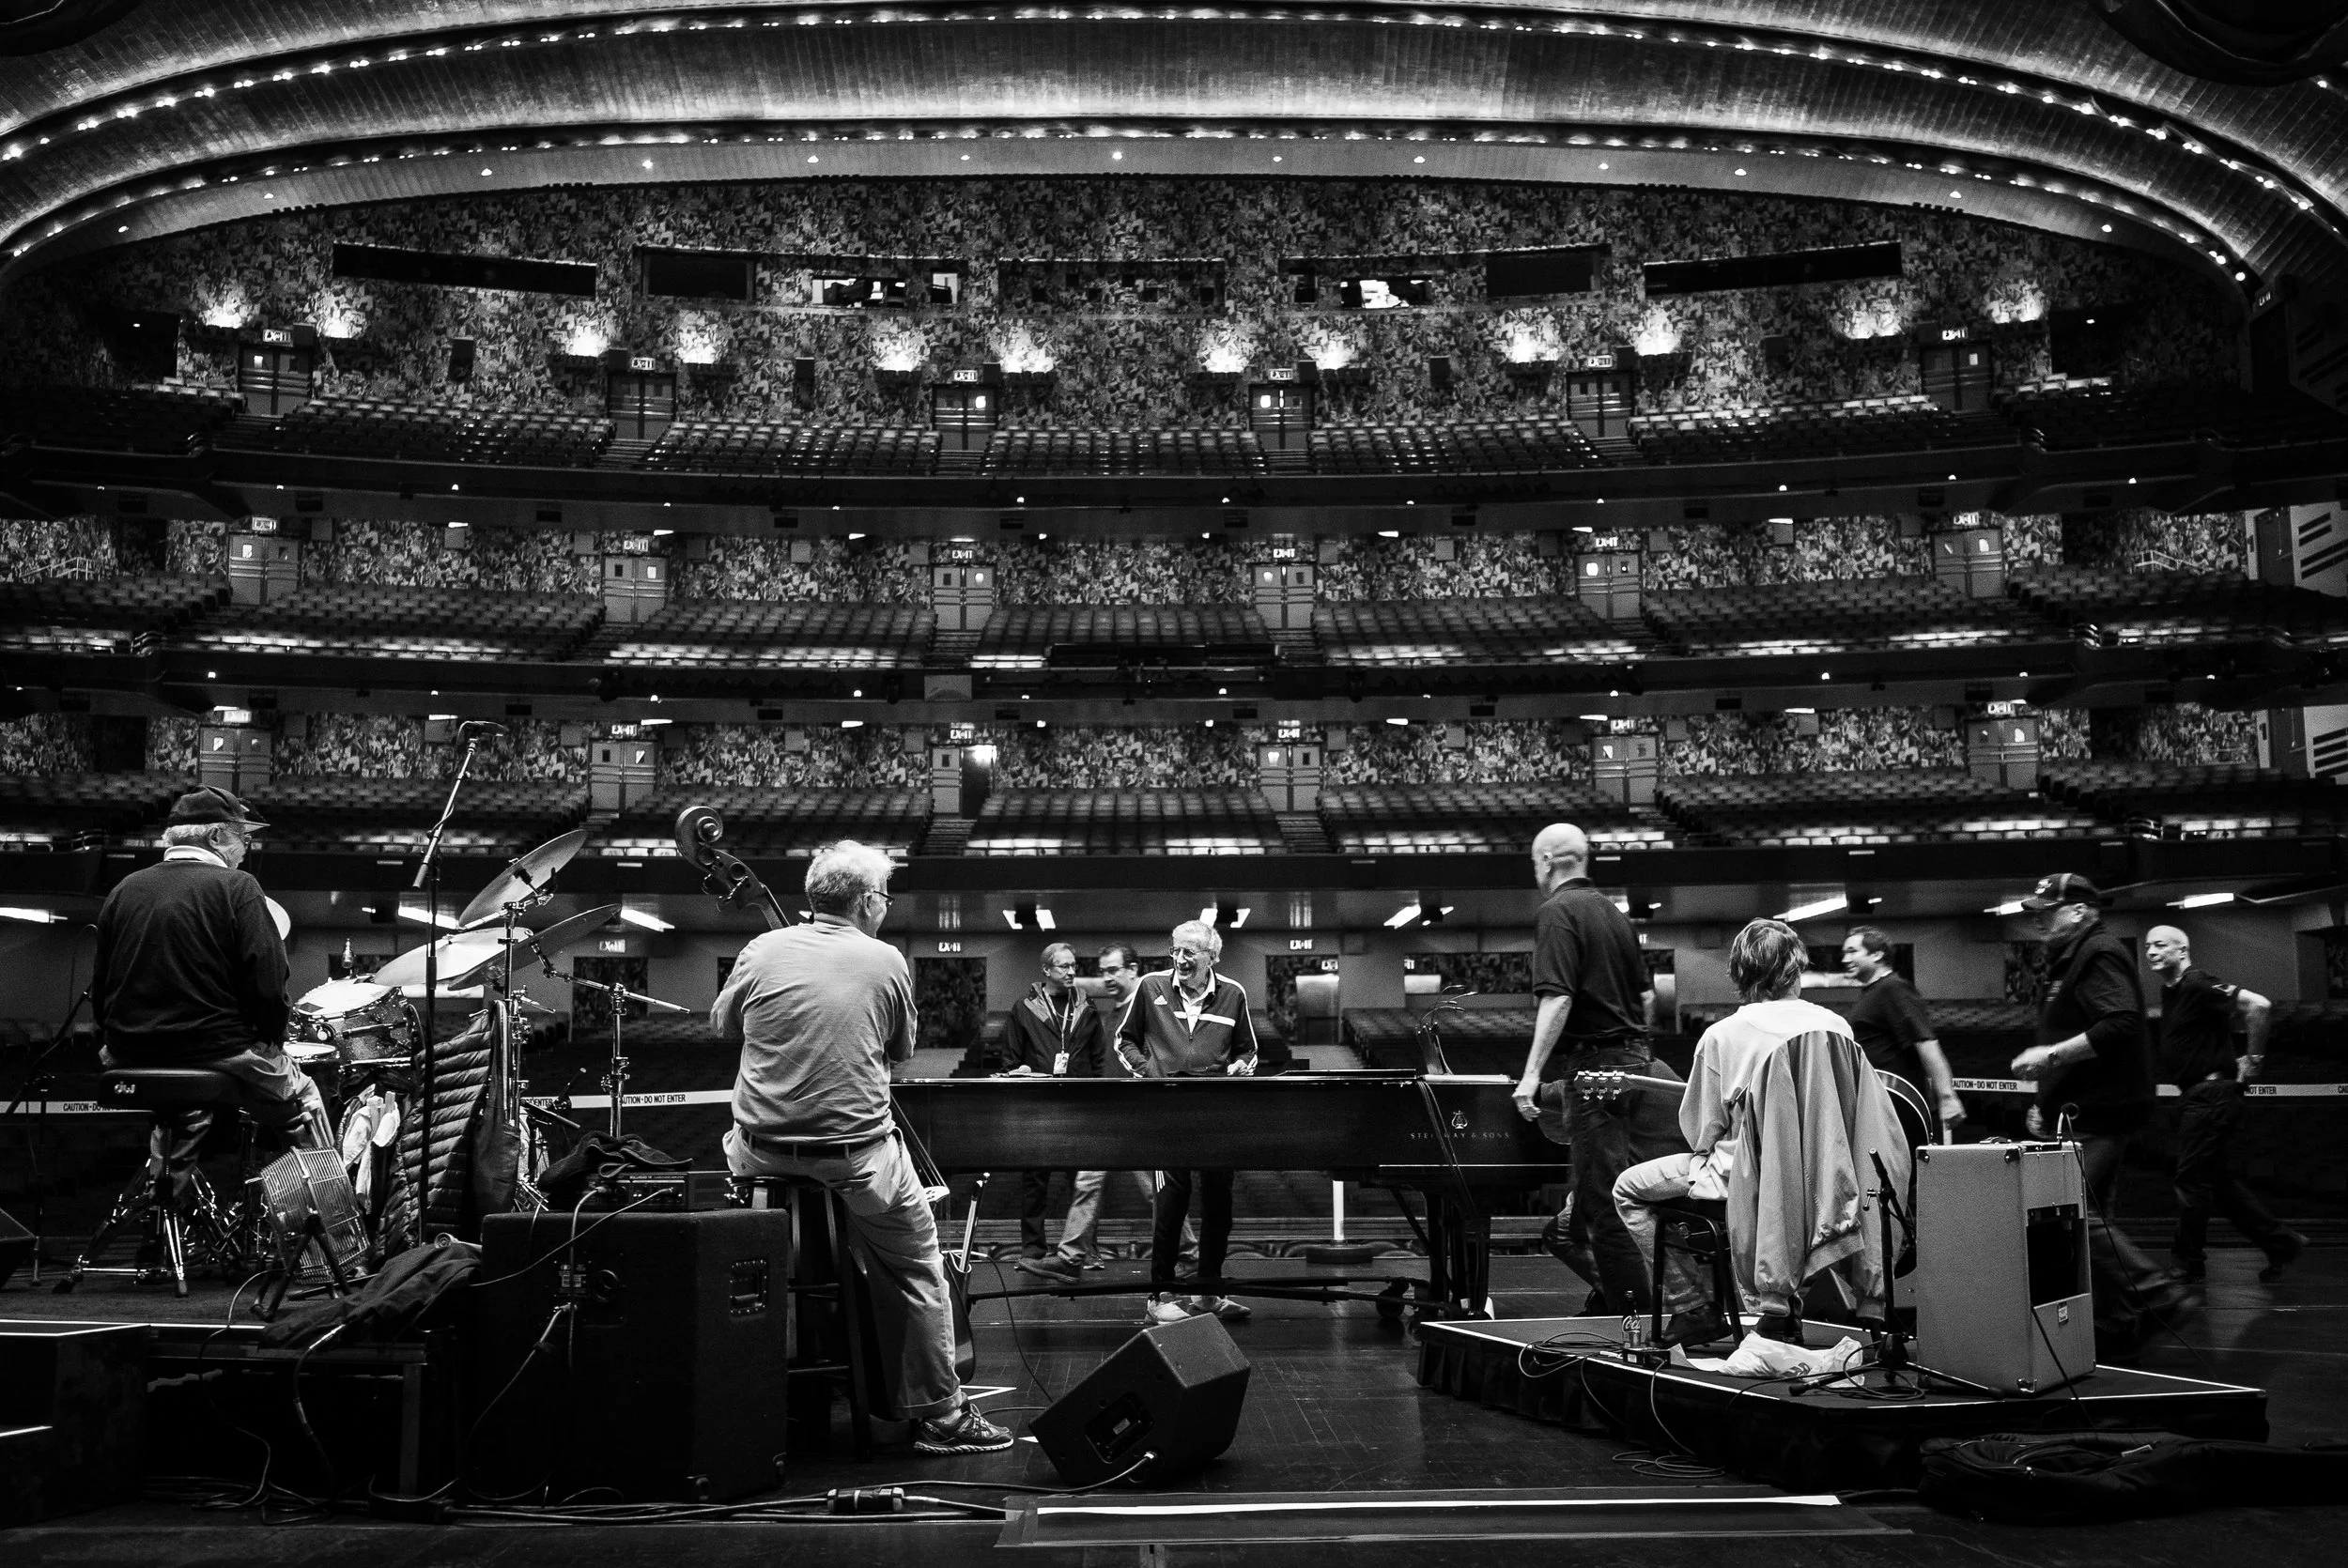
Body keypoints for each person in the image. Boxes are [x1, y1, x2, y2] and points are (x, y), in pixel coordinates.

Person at [715, 840, 1011, 1455]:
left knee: (731, 1139)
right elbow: (901, 1051)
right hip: (855, 1159)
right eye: (886, 896)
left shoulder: (761, 949)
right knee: (918, 1264)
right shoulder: (885, 961)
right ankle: (941, 1415)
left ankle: (780, 1361)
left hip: (761, 1154)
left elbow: (724, 1025)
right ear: (869, 902)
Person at [1614, 919, 1910, 1345]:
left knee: (1627, 1189)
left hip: (1746, 1182)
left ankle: (1693, 1306)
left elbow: (1701, 1130)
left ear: (1739, 972)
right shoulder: (1837, 1028)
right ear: (1797, 967)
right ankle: (1780, 1311)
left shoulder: (1721, 1036)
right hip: (1830, 1183)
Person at [90, 787, 331, 1204]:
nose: (247, 847)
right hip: (217, 1049)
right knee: (304, 1101)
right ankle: (331, 1235)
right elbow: (268, 984)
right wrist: (271, 1040)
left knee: (180, 1116)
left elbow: (101, 987)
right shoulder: (238, 887)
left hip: (130, 1053)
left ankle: (158, 1226)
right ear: (217, 837)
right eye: (244, 836)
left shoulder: (124, 889)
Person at [2009, 873, 2195, 1358]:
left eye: (2047, 910)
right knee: (2089, 1218)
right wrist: (2044, 1101)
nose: (2039, 919)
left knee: (2068, 1216)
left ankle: (2155, 1294)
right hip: (2080, 1110)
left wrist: (2049, 1059)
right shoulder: (2071, 958)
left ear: (2078, 912)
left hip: (2102, 1113)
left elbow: (2120, 1022)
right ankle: (2115, 1323)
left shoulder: (2099, 952)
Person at [1511, 822, 1670, 1314]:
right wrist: (1633, 1052)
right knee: (1594, 1207)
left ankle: (1639, 1327)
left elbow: (1558, 996)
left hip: (1598, 1068)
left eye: (1535, 862)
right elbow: (1646, 998)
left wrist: (1532, 1075)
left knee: (1604, 1205)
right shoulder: (1614, 914)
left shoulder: (1557, 912)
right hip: (1632, 1063)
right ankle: (1625, 1304)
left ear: (1548, 862)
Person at [1116, 919, 1259, 1326]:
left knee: (1220, 1205)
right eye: (1175, 950)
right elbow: (1124, 1040)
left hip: (1217, 1115)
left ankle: (1209, 1293)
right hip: (1167, 1114)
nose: (1179, 958)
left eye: (1188, 953)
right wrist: (1151, 1075)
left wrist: (1240, 1067)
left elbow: (1248, 1051)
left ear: (1212, 957)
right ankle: (1158, 1294)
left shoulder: (1233, 994)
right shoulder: (1150, 987)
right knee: (1171, 1204)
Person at [2143, 926, 2303, 1285]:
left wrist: (2254, 1059)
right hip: (2197, 1096)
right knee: (2217, 1183)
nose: (2151, 951)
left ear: (2182, 950)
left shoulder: (2197, 983)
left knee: (2191, 1182)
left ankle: (2188, 1260)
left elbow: (2259, 1006)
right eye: (2148, 946)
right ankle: (2281, 1243)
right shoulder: (2172, 991)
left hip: (2210, 1096)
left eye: (2160, 945)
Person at [1054, 943, 1185, 1271]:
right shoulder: (1112, 1013)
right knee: (1088, 1182)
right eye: (1103, 972)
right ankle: (1070, 1257)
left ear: (1133, 970)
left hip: (1140, 1117)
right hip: (1110, 1115)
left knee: (1158, 1194)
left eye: (1114, 970)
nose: (1107, 978)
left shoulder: (1151, 1011)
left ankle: (1189, 1253)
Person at [992, 942, 1105, 1282]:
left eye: (1074, 965)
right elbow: (1010, 1060)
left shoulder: (1087, 1008)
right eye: (1063, 967)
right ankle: (1033, 1250)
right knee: (1034, 1181)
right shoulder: (1023, 1008)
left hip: (1078, 1105)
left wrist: (1094, 1092)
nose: (1071, 972)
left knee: (1084, 1182)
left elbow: (1099, 1059)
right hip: (1037, 1106)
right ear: (1046, 971)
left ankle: (1086, 1250)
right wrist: (1022, 1074)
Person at [1841, 926, 1965, 1138]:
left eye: (1853, 951)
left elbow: (1925, 1042)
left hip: (1899, 1107)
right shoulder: (1873, 993)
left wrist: (1947, 1097)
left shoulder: (1893, 989)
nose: (1845, 959)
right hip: (1878, 1105)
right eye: (1845, 953)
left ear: (1877, 954)